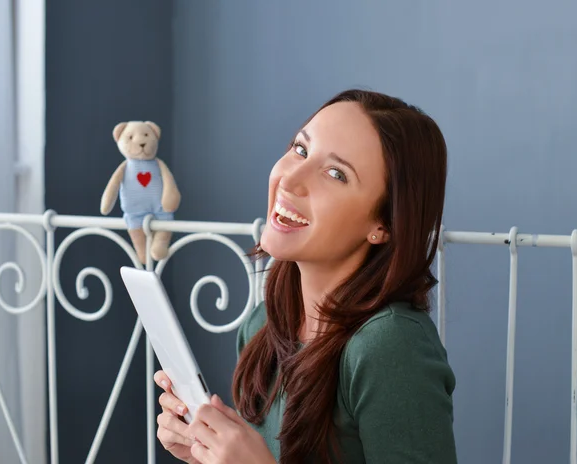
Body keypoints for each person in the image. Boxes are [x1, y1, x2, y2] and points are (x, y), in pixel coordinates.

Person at [153, 89, 458, 463]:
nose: (291, 179)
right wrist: (205, 454)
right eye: (300, 149)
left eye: (336, 174)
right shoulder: (262, 325)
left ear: (383, 224)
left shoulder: (390, 346)